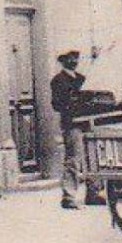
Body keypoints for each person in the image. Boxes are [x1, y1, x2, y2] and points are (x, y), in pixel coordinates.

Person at [50, 49, 104, 210]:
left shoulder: (82, 79)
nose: (74, 61)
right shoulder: (58, 80)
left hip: (86, 122)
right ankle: (68, 196)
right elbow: (57, 104)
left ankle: (93, 193)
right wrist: (74, 103)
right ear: (63, 60)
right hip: (72, 124)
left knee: (91, 157)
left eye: (76, 57)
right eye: (70, 58)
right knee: (73, 159)